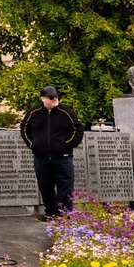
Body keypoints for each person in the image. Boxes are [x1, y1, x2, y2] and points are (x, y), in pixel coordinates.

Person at [19, 85, 83, 221]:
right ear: (43, 99)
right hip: (41, 158)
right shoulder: (33, 112)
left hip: (62, 158)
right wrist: (33, 145)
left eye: (56, 96)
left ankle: (65, 215)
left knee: (65, 186)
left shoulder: (66, 112)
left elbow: (78, 129)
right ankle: (52, 214)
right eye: (51, 97)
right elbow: (24, 128)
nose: (55, 99)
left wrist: (67, 145)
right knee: (45, 186)